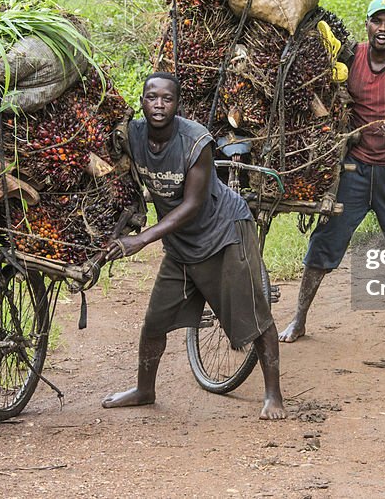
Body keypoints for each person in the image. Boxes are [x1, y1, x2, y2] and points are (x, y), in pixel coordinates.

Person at [102, 72, 286, 420]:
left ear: (178, 104)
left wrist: (141, 239)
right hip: (181, 244)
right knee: (154, 321)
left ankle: (273, 394)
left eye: (167, 99)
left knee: (254, 318)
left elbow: (192, 206)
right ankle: (145, 389)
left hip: (222, 234)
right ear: (141, 101)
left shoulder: (195, 142)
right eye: (151, 97)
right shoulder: (133, 135)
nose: (158, 105)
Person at [279, 0, 385, 342]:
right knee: (325, 241)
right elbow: (326, 95)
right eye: (377, 21)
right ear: (367, 24)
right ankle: (298, 319)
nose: (382, 29)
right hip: (353, 169)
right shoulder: (350, 56)